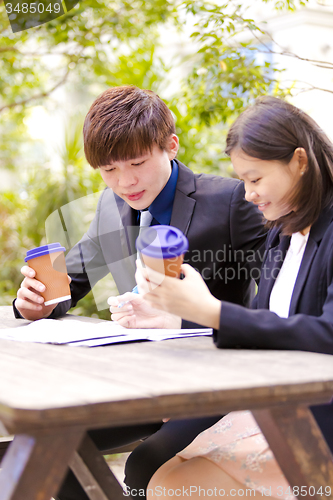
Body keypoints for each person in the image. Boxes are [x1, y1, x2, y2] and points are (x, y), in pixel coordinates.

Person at [13, 85, 266, 500]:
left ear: (170, 145)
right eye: (108, 170)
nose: (125, 181)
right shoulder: (111, 206)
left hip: (217, 384)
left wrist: (183, 319)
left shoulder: (231, 200)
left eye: (136, 162)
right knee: (52, 445)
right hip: (135, 382)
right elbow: (71, 281)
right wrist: (35, 301)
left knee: (145, 462)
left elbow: (276, 307)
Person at [135, 96, 333, 500]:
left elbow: (326, 333)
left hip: (314, 415)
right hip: (275, 403)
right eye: (243, 180)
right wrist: (183, 314)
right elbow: (266, 327)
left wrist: (210, 310)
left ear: (299, 162)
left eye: (256, 179)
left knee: (172, 487)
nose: (247, 194)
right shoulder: (284, 231)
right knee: (149, 467)